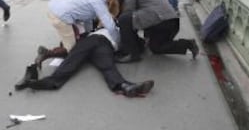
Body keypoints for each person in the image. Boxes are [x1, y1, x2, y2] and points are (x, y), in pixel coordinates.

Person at [14, 27, 154, 98]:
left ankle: (126, 86)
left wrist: (143, 43)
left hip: (105, 45)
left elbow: (138, 45)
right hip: (94, 40)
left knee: (106, 66)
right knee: (73, 61)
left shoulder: (124, 31)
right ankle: (44, 82)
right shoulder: (104, 26)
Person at [34, 0, 120, 67]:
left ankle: (60, 46)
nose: (109, 1)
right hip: (61, 16)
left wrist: (88, 34)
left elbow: (88, 18)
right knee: (72, 50)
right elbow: (109, 25)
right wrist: (118, 43)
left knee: (76, 37)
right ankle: (46, 53)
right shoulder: (97, 1)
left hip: (54, 8)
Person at [115, 0, 198, 63]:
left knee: (124, 19)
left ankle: (131, 53)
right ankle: (188, 44)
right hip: (171, 22)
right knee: (156, 48)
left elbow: (128, 12)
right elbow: (145, 16)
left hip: (161, 20)